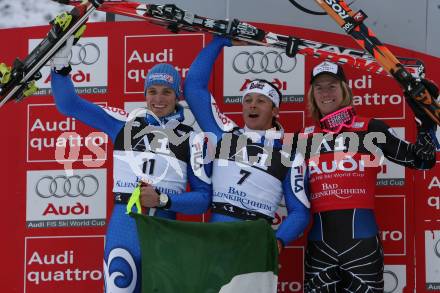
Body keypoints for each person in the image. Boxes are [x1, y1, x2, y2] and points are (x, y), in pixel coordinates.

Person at [50, 36, 211, 293]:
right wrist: (60, 68)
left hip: (165, 228)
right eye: (152, 91)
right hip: (125, 225)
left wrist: (163, 200)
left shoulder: (192, 138)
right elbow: (68, 105)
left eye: (166, 92)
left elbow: (204, 198)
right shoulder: (123, 124)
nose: (159, 99)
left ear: (177, 96)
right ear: (145, 94)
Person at [301, 61, 437, 292]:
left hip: (361, 246)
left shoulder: (370, 129)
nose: (325, 93)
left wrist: (424, 119)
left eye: (332, 85)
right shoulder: (305, 138)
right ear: (312, 95)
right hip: (319, 247)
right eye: (319, 87)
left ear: (344, 89)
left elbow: (422, 160)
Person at [184, 36, 310, 253]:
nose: (252, 106)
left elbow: (299, 212)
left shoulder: (290, 156)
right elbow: (194, 87)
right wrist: (219, 42)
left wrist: (278, 241)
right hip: (215, 240)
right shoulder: (224, 134)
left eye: (261, 101)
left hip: (254, 244)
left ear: (275, 110)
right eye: (248, 100)